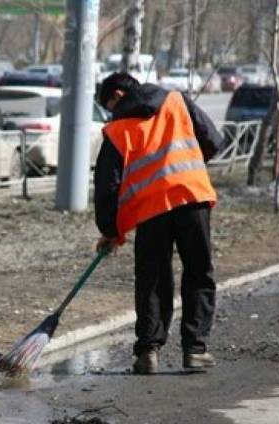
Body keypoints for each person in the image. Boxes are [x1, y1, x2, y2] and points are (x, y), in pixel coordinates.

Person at [94, 72, 223, 374]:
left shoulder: (116, 130)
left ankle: (148, 352)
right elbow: (214, 141)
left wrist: (111, 231)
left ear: (118, 95)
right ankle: (195, 349)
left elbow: (107, 187)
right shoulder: (176, 100)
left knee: (152, 278)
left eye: (108, 104)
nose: (110, 111)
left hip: (150, 209)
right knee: (198, 271)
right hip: (192, 196)